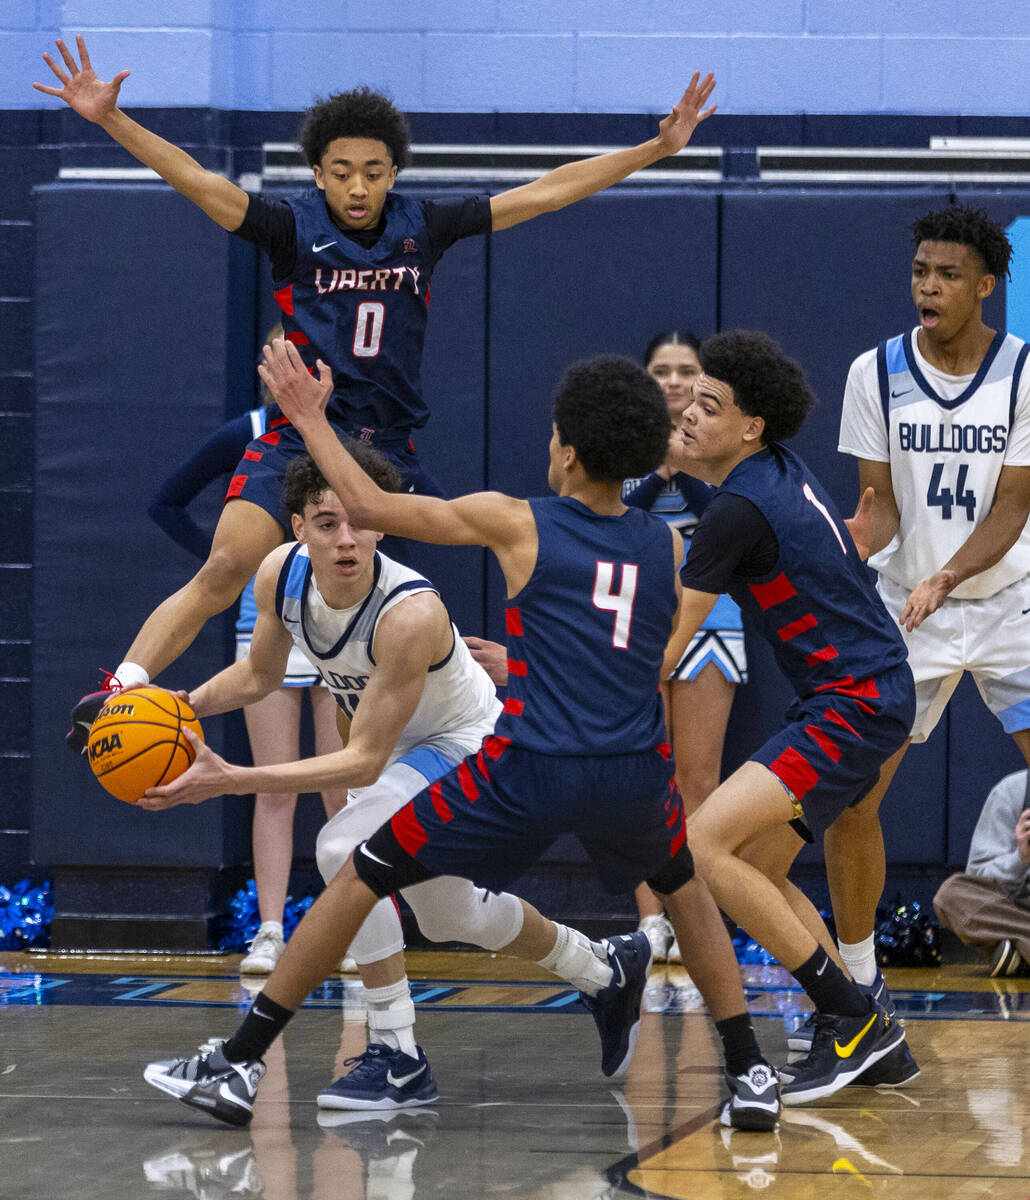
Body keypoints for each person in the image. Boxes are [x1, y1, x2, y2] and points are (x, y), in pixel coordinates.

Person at [142, 343, 781, 1132]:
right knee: (684, 894)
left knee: (355, 866)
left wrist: (308, 418)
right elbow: (658, 658)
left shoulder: (517, 523)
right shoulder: (668, 546)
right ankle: (749, 1068)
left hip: (524, 766)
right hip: (627, 770)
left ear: (569, 452)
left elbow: (374, 508)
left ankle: (245, 1060)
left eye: (553, 436)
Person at [34, 36, 718, 744]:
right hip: (300, 433)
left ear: (394, 172)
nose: (358, 188)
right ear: (318, 175)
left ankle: (466, 727)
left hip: (387, 448)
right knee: (226, 566)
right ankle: (120, 690)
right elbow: (199, 182)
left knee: (411, 604)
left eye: (372, 172)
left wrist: (654, 150)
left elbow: (544, 193)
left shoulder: (423, 227)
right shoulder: (285, 228)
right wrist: (111, 121)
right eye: (341, 172)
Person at [142, 445, 660, 1109]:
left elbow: (360, 761)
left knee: (342, 850)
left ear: (381, 523)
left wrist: (233, 776)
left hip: (466, 745)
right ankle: (602, 968)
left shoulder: (409, 612)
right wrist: (179, 706)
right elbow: (260, 676)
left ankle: (396, 1055)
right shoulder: (280, 575)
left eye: (357, 520)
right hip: (395, 755)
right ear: (297, 528)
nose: (346, 538)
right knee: (449, 914)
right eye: (326, 523)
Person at [657, 330, 915, 1103]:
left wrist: (554, 674)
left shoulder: (737, 512)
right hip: (868, 693)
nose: (692, 412)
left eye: (712, 404)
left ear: (750, 428)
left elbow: (671, 639)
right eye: (690, 398)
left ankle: (853, 1019)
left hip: (854, 702)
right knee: (758, 865)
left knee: (704, 842)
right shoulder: (777, 475)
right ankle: (867, 1033)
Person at [832, 203, 1030, 1031]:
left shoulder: (1023, 372)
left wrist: (948, 574)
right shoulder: (873, 372)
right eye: (920, 271)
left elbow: (1014, 508)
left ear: (985, 286)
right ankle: (854, 980)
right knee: (853, 800)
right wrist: (850, 545)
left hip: (1009, 602)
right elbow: (876, 510)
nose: (929, 286)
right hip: (907, 611)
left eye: (948, 274)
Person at [148, 366, 350, 974]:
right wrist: (227, 561)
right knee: (272, 783)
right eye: (278, 354)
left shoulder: (357, 432)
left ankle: (348, 926)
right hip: (271, 619)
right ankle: (268, 930)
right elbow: (166, 501)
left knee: (341, 787)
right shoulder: (253, 431)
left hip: (344, 616)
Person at [624, 329, 747, 965]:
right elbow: (612, 513)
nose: (673, 381)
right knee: (646, 773)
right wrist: (657, 471)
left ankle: (694, 916)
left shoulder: (724, 442)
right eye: (662, 369)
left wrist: (683, 469)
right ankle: (651, 920)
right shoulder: (619, 438)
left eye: (686, 371)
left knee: (697, 778)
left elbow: (732, 513)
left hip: (712, 619)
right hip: (638, 616)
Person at [933, 769, 1030, 977]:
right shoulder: (1012, 790)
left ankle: (1021, 954)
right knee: (952, 896)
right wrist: (1020, 858)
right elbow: (977, 879)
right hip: (1017, 911)